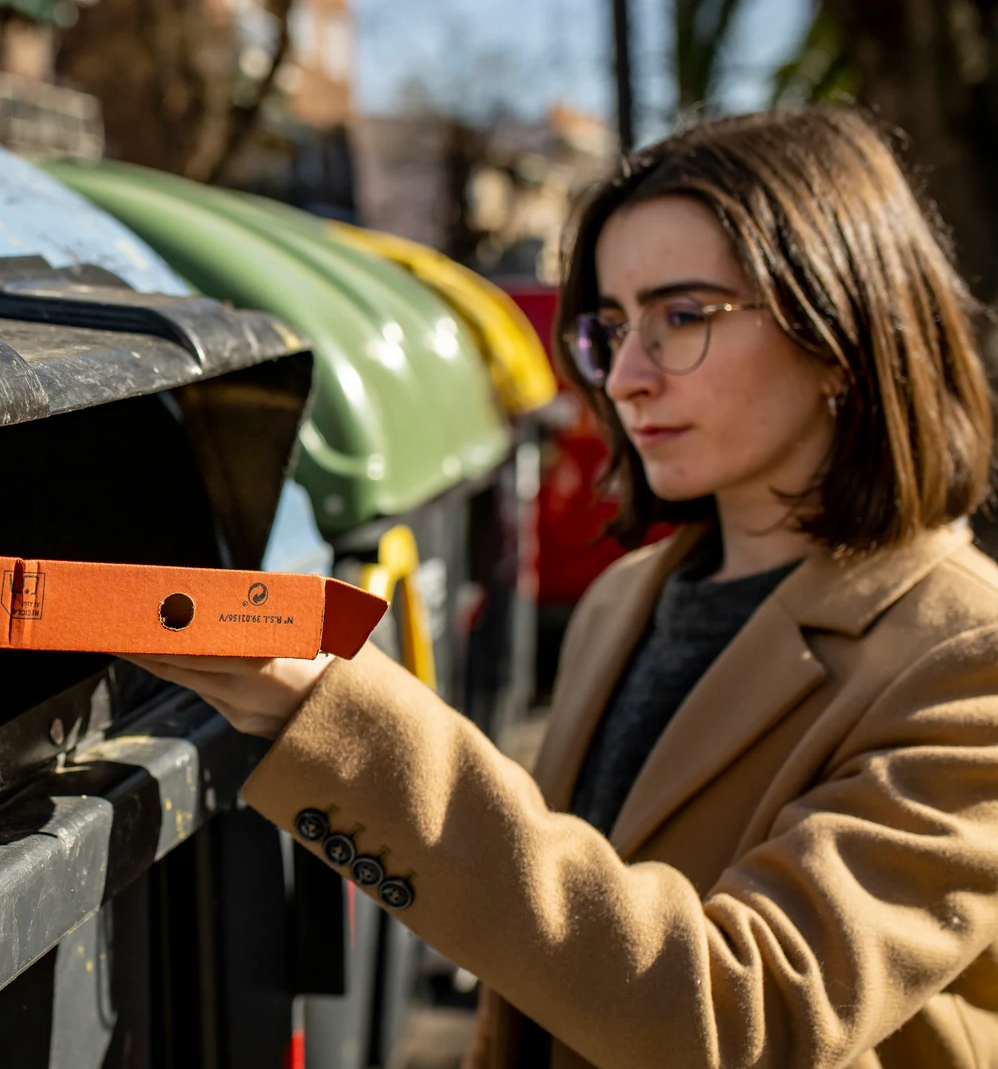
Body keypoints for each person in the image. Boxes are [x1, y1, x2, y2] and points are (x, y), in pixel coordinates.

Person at [127, 108, 998, 1068]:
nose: (625, 378)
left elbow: (741, 1015)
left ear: (838, 331)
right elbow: (544, 969)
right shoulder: (626, 599)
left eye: (683, 318)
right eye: (613, 327)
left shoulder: (966, 656)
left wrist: (346, 722)